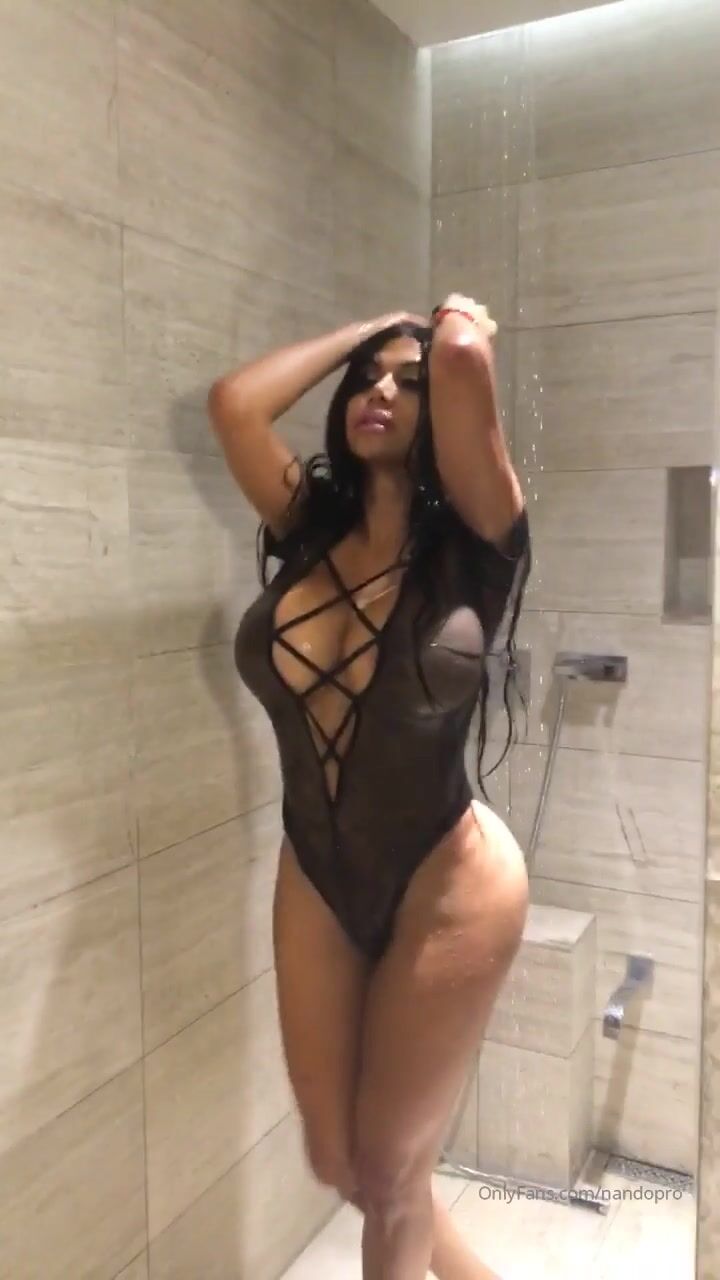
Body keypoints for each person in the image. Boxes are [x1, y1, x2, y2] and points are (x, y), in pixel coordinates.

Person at [208, 292, 531, 1280]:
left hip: (452, 877)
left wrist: (453, 327)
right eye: (366, 381)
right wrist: (367, 331)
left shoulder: (480, 538)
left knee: (391, 1174)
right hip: (317, 868)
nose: (379, 392)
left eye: (407, 382)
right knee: (344, 1160)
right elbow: (233, 404)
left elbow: (465, 350)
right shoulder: (306, 524)